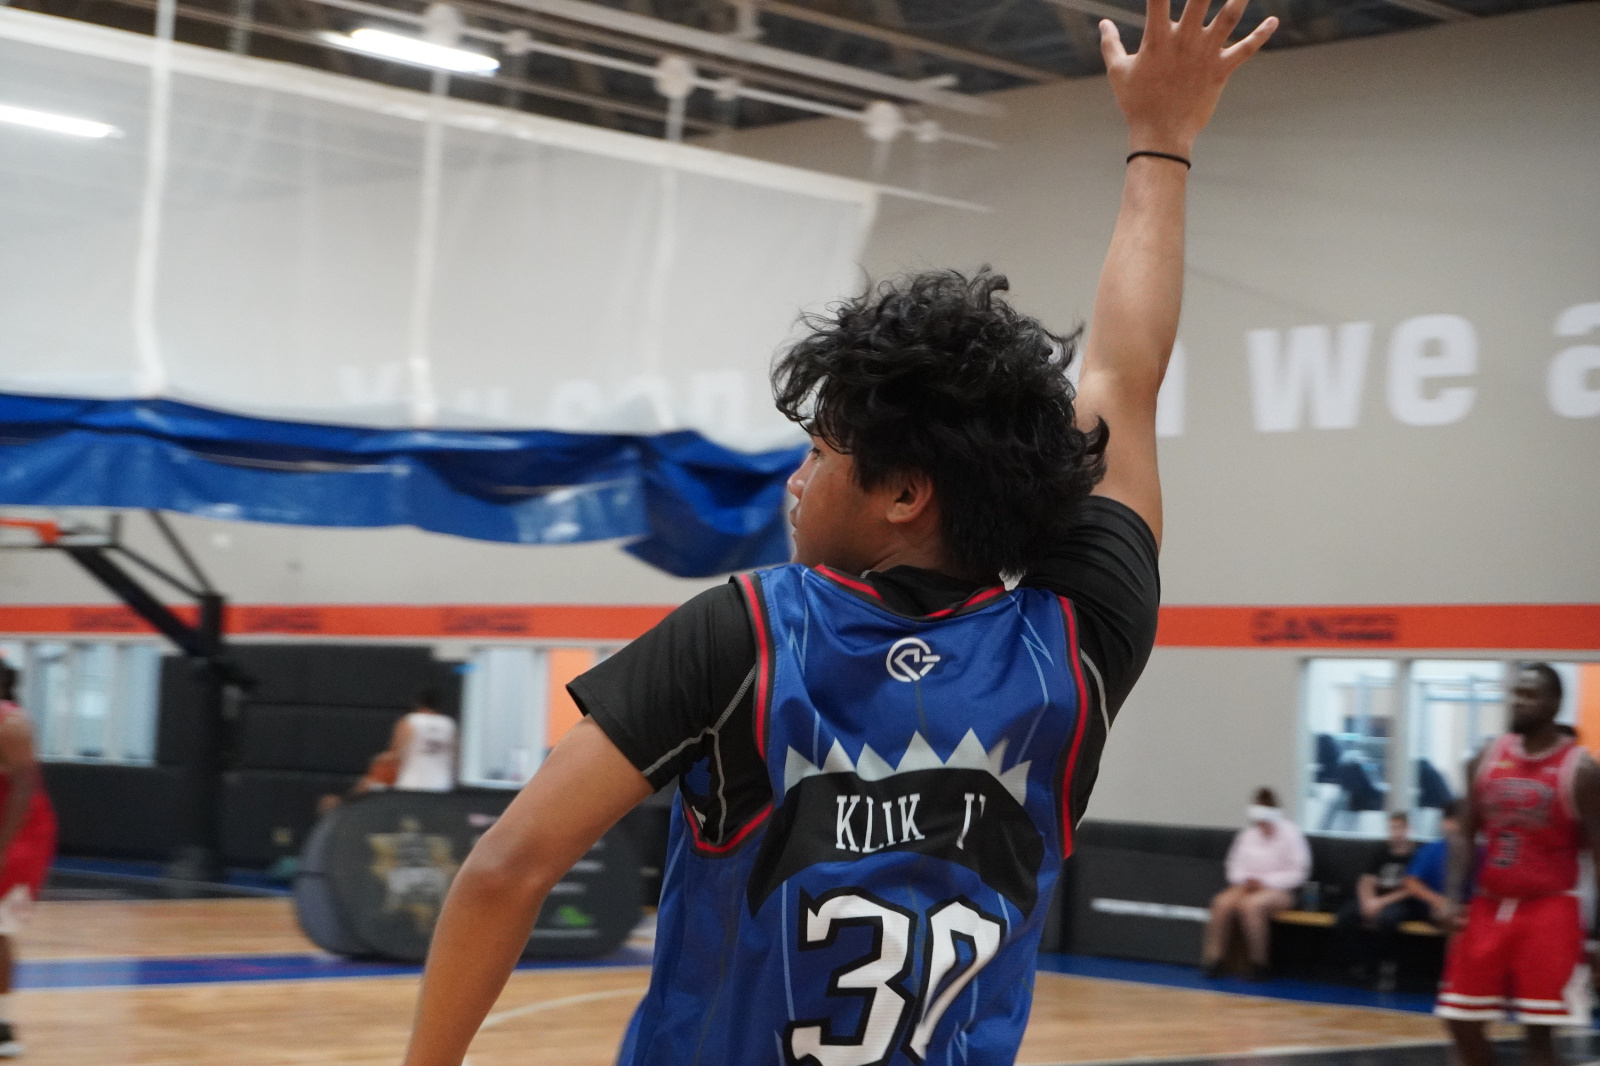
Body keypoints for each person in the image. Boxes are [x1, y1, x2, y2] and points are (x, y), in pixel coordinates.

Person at [397, 2, 1279, 1064]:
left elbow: (506, 868)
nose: (795, 479)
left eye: (818, 452)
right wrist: (1163, 143)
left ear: (903, 492)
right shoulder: (1076, 647)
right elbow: (1123, 382)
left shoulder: (747, 633)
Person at [1436, 663, 1600, 1066]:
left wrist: (1596, 936)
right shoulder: (1486, 757)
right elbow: (1465, 833)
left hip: (1550, 908)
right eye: (1515, 693)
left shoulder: (1580, 770)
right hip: (1489, 903)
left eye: (1530, 695)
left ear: (1555, 704)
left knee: (1538, 1038)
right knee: (1459, 1019)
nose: (1518, 702)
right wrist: (1453, 896)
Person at [0, 661, 57, 1059]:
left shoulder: (11, 723)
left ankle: (3, 1026)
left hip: (21, 834)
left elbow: (23, 788)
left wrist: (2, 847)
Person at [1202, 788, 1310, 979]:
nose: (1261, 823)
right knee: (1221, 903)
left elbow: (1299, 871)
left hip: (1280, 890)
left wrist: (1265, 882)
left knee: (1252, 906)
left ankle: (1259, 962)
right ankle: (1215, 959)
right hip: (1246, 886)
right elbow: (1233, 866)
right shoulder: (1247, 835)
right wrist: (1246, 880)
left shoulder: (1291, 833)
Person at [317, 690, 458, 817]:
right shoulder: (450, 725)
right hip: (441, 789)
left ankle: (342, 803)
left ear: (418, 703)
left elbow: (397, 755)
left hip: (411, 788)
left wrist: (378, 759)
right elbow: (455, 759)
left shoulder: (410, 721)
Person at [1334, 810, 1423, 987]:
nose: (1395, 833)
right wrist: (1367, 901)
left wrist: (1380, 903)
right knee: (1344, 916)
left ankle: (1384, 966)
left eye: (1399, 828)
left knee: (1388, 920)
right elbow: (1366, 881)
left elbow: (1412, 889)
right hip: (1375, 899)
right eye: (1392, 828)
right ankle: (1358, 962)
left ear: (1408, 829)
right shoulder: (1381, 851)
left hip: (1400, 902)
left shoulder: (1417, 854)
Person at [1404, 799, 1470, 924]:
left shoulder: (1479, 852)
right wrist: (1439, 901)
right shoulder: (1430, 850)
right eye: (1450, 821)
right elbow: (1411, 883)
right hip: (1434, 908)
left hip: (1468, 909)